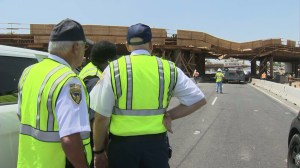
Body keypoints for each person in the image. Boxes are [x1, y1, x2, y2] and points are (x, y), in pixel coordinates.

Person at [90, 23, 207, 168]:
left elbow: (101, 117)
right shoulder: (168, 68)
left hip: (122, 149)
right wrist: (170, 115)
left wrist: (99, 151)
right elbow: (199, 99)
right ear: (151, 45)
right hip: (156, 147)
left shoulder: (114, 69)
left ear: (127, 46)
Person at [17, 18, 92, 168]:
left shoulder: (29, 72)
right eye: (84, 47)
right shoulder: (69, 81)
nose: (84, 53)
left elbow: (21, 115)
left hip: (30, 162)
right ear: (76, 47)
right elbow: (69, 138)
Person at [79, 40, 117, 168]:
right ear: (109, 60)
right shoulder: (95, 80)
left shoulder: (88, 70)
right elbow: (96, 118)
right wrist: (101, 150)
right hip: (92, 139)